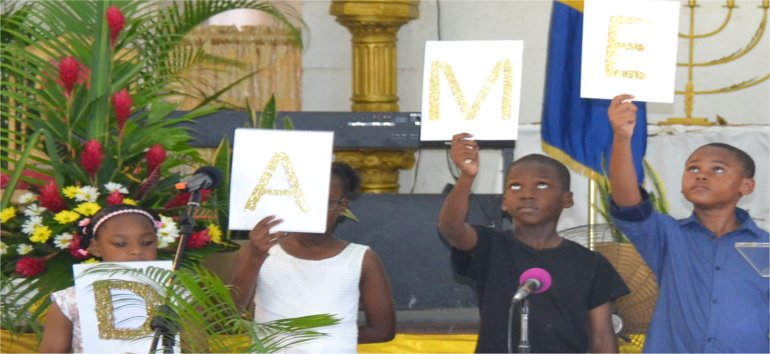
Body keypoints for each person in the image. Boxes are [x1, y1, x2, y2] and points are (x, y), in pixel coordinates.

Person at [439, 133, 630, 353]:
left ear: (567, 199)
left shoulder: (591, 264)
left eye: (541, 186)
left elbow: (602, 336)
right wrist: (466, 177)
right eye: (515, 187)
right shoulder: (490, 247)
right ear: (504, 203)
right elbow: (452, 229)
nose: (527, 194)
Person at [607, 94, 770, 353]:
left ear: (746, 186)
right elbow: (628, 202)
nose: (702, 175)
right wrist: (622, 139)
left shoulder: (765, 246)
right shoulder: (667, 236)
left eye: (717, 169)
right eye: (693, 169)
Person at [229, 162, 396, 353]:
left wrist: (326, 339)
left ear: (343, 206)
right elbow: (227, 316)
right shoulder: (260, 251)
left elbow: (383, 330)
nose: (314, 211)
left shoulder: (362, 259)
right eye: (307, 200)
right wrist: (255, 257)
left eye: (327, 203)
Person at [38, 204, 162, 353]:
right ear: (96, 248)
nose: (136, 251)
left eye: (147, 243)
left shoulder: (178, 297)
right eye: (121, 244)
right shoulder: (70, 301)